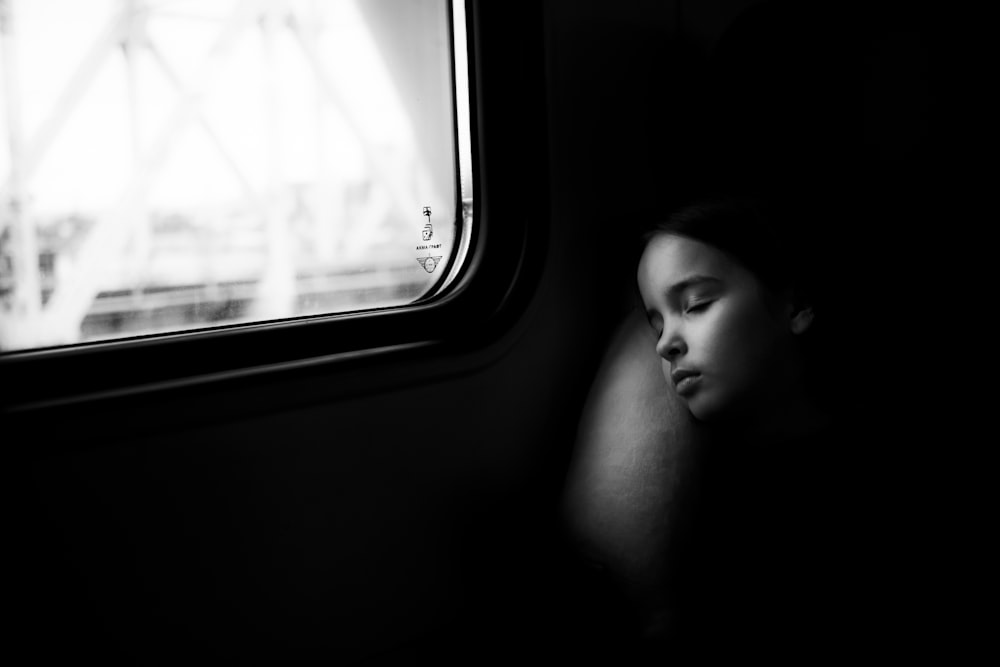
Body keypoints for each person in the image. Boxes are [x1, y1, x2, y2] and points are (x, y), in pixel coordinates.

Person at [633, 196, 876, 659]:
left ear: (795, 305)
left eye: (696, 304)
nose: (666, 344)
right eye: (655, 324)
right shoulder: (697, 486)